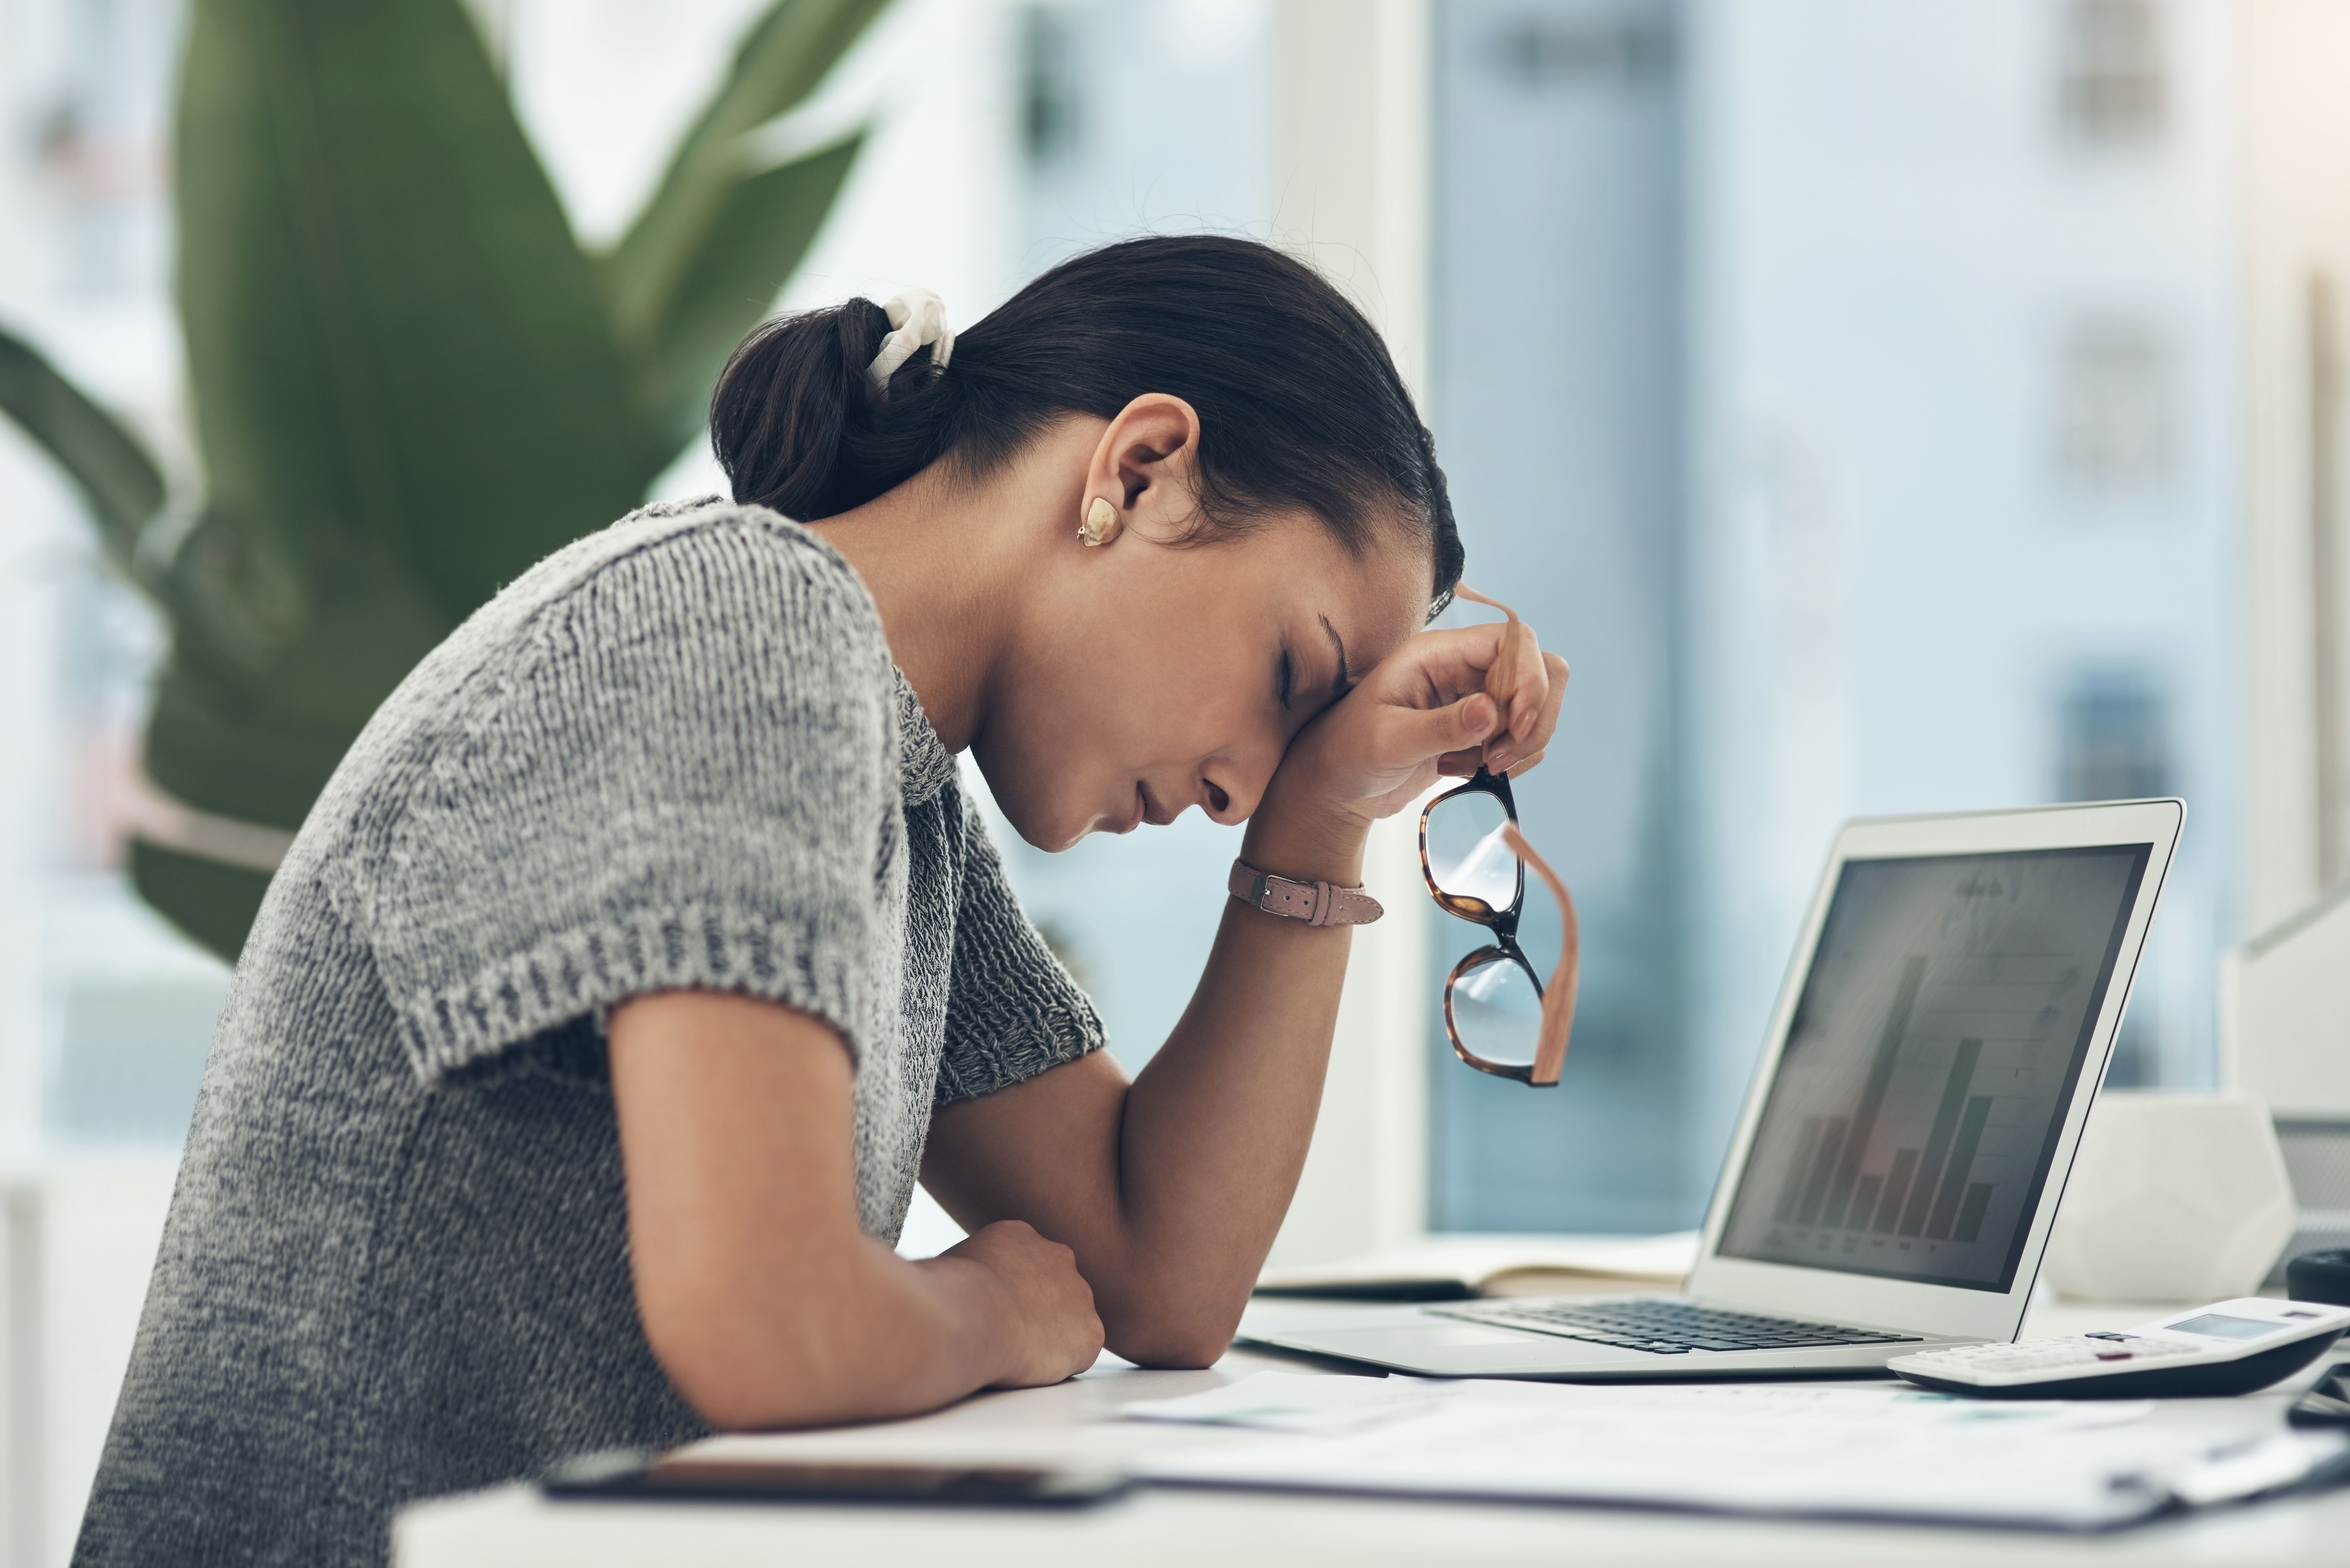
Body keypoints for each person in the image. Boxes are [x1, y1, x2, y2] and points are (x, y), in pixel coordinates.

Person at [73, 235, 1564, 1566]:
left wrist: (1321, 818)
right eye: (1287, 680)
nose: (1242, 784)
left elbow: (1155, 1279)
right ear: (1135, 469)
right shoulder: (740, 622)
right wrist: (986, 1307)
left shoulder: (901, 795)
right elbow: (768, 1329)